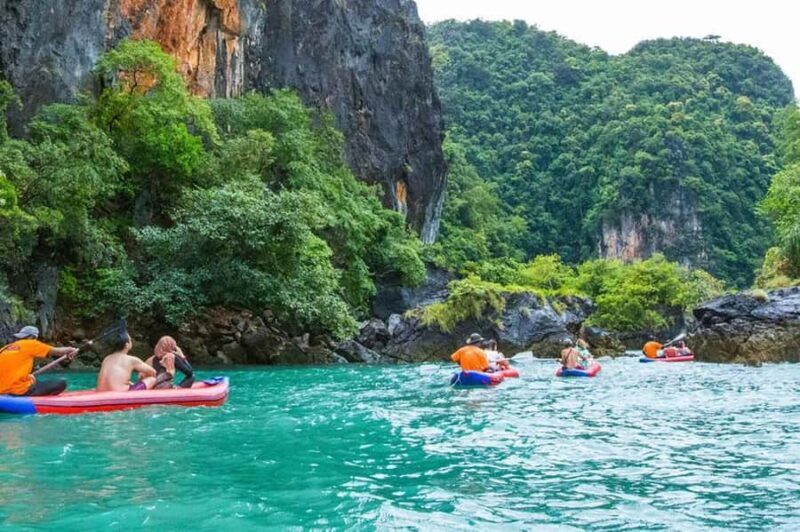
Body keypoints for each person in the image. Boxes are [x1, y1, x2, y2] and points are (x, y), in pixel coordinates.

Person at [0, 326, 79, 396]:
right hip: (17, 390)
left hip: (2, 390)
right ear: (32, 337)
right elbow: (57, 351)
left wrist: (28, 377)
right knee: (61, 383)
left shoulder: (5, 348)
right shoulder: (31, 343)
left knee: (34, 380)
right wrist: (71, 349)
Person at [96, 332, 175, 392]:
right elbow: (153, 372)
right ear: (127, 345)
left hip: (101, 391)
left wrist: (128, 383)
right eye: (130, 340)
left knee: (129, 383)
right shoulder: (132, 360)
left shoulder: (107, 358)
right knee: (152, 379)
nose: (131, 341)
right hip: (121, 394)